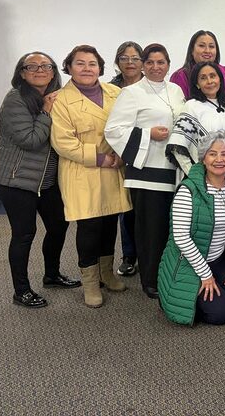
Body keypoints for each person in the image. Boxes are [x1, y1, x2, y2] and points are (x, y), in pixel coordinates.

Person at [0, 52, 80, 308]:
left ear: (53, 72)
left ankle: (51, 275)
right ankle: (21, 291)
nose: (39, 70)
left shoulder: (57, 96)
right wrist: (46, 112)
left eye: (45, 66)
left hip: (46, 180)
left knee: (58, 225)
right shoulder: (16, 100)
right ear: (22, 73)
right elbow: (30, 140)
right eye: (32, 66)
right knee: (23, 234)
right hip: (16, 179)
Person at [50, 45, 131, 308]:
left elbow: (129, 126)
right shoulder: (60, 99)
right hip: (82, 170)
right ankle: (90, 283)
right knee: (89, 226)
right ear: (69, 67)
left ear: (101, 67)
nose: (87, 69)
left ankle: (107, 273)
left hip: (113, 166)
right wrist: (100, 158)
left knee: (109, 222)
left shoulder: (115, 93)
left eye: (92, 64)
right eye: (80, 63)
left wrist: (122, 154)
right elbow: (62, 142)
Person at [105, 44, 185, 299]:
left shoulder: (176, 90)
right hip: (147, 172)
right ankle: (150, 279)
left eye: (161, 62)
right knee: (151, 229)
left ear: (168, 64)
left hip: (174, 170)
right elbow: (114, 130)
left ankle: (170, 274)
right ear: (142, 64)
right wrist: (148, 134)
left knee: (173, 227)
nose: (155, 67)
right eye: (150, 62)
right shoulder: (131, 93)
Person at [158, 131, 225, 326]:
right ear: (203, 158)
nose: (219, 159)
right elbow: (181, 238)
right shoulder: (188, 190)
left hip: (218, 259)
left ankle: (215, 289)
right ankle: (185, 296)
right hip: (189, 263)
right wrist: (205, 275)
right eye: (212, 154)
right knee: (221, 314)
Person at [166, 62, 225, 179]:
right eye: (203, 78)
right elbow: (178, 145)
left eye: (213, 76)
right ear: (197, 84)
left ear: (220, 79)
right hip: (200, 178)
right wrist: (194, 175)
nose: (209, 81)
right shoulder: (192, 106)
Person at [109, 41, 143, 276]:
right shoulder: (109, 90)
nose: (130, 63)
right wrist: (122, 153)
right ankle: (129, 255)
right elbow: (110, 126)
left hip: (148, 153)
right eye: (124, 58)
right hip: (119, 157)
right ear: (117, 62)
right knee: (125, 208)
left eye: (135, 58)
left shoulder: (152, 86)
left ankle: (151, 253)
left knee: (148, 209)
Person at [170, 30, 225, 112]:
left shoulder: (223, 73)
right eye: (202, 46)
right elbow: (179, 111)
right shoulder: (181, 76)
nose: (207, 51)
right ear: (192, 50)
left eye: (211, 46)